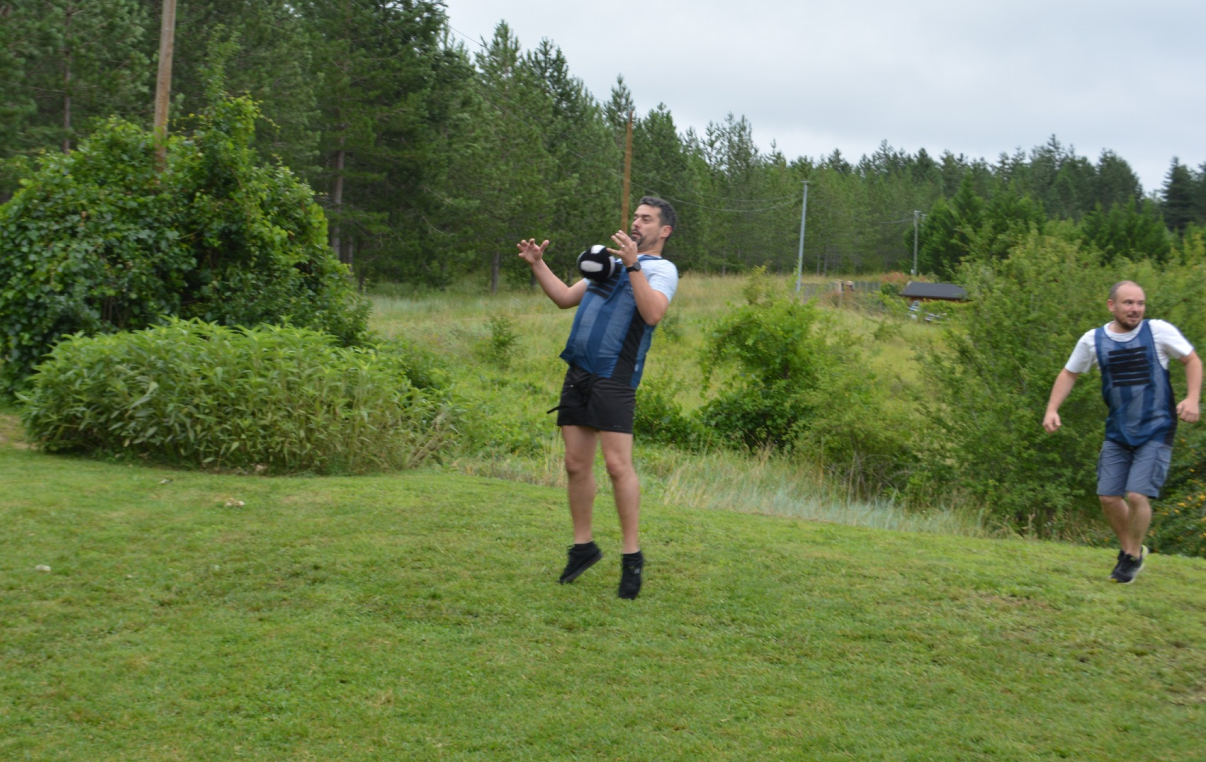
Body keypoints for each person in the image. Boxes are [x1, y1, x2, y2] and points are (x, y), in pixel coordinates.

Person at [516, 197, 679, 600]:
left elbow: (652, 312)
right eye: (636, 217)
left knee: (617, 465)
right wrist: (538, 264)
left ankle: (631, 557)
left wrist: (634, 264)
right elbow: (565, 298)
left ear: (664, 231)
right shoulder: (607, 262)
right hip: (579, 371)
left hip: (615, 375)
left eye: (647, 220)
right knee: (575, 464)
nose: (637, 224)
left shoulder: (661, 270)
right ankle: (583, 547)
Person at [1043, 281, 1201, 583]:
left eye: (1140, 303)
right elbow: (1069, 373)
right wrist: (1052, 409)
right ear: (1111, 305)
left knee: (1137, 494)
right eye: (1128, 303)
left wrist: (1192, 398)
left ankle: (1130, 557)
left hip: (1157, 427)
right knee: (1108, 497)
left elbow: (1191, 359)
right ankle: (1132, 550)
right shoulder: (1093, 340)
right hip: (1118, 430)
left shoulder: (1158, 331)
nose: (1136, 309)